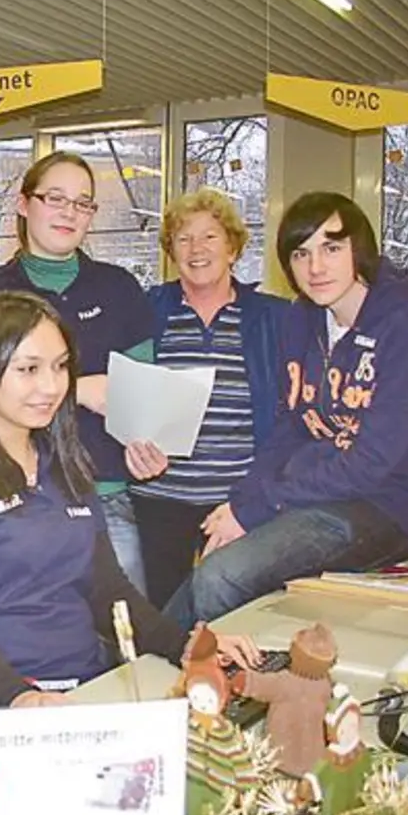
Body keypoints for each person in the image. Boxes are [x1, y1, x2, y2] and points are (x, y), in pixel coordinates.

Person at [0, 289, 259, 710]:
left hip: (84, 687)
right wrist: (20, 697)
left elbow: (108, 590)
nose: (51, 386)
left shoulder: (64, 465)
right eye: (28, 369)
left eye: (60, 367)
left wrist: (188, 647)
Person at [164, 191, 408, 629]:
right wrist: (241, 504)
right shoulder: (303, 319)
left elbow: (371, 462)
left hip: (388, 507)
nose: (316, 267)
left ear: (360, 250)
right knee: (211, 564)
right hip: (320, 496)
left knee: (221, 576)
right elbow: (290, 428)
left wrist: (262, 506)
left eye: (331, 248)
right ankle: (155, 659)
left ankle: (181, 663)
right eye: (301, 253)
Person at [0, 152, 168, 597]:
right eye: (55, 198)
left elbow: (142, 399)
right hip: (14, 497)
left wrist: (146, 447)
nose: (69, 212)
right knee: (30, 626)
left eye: (82, 203)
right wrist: (78, 390)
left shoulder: (119, 289)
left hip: (104, 496)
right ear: (23, 204)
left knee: (127, 629)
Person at [131, 188, 288, 610]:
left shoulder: (273, 318)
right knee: (167, 619)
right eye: (183, 239)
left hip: (237, 504)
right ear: (171, 252)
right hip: (159, 501)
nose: (196, 249)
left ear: (233, 248)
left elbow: (289, 415)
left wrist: (256, 500)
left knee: (240, 614)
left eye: (209, 237)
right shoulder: (147, 311)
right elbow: (125, 396)